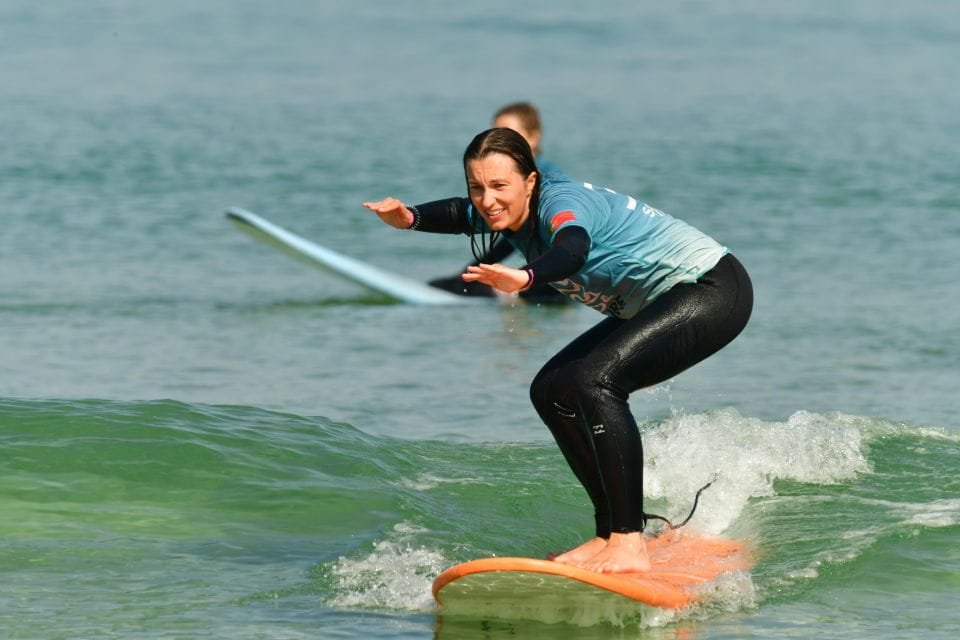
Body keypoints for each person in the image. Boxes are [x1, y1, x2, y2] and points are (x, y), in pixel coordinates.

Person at [363, 128, 753, 573]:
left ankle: (629, 541)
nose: (487, 199)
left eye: (499, 187)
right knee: (552, 389)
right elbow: (458, 213)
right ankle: (610, 532)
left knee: (595, 383)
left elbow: (573, 248)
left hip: (710, 289)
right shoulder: (506, 211)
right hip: (667, 299)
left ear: (531, 182)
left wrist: (526, 278)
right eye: (477, 187)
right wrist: (408, 216)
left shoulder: (560, 206)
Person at [428, 102, 566, 303]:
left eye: (509, 134)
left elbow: (514, 240)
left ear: (533, 138)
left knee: (450, 287)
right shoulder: (515, 176)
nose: (500, 140)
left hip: (551, 283)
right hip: (542, 280)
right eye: (496, 133)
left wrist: (471, 272)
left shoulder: (546, 178)